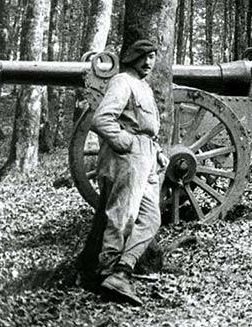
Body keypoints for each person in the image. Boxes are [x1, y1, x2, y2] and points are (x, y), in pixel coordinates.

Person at [89, 39, 168, 305]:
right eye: (143, 57)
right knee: (123, 215)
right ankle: (110, 271)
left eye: (153, 57)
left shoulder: (143, 86)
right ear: (132, 58)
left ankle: (124, 269)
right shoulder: (122, 81)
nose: (148, 62)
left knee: (151, 218)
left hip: (147, 158)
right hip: (128, 156)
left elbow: (147, 127)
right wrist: (125, 142)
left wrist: (156, 153)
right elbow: (102, 119)